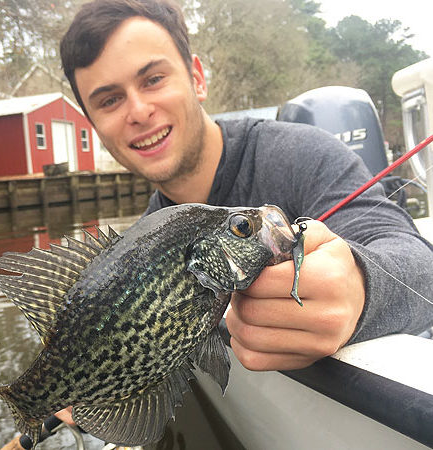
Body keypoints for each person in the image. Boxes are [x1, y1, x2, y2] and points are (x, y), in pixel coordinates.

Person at [40, 0, 433, 432]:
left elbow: (420, 264)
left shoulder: (303, 155)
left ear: (197, 77)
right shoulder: (141, 244)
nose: (137, 111)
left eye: (153, 79)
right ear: (93, 124)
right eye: (110, 100)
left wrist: (360, 286)